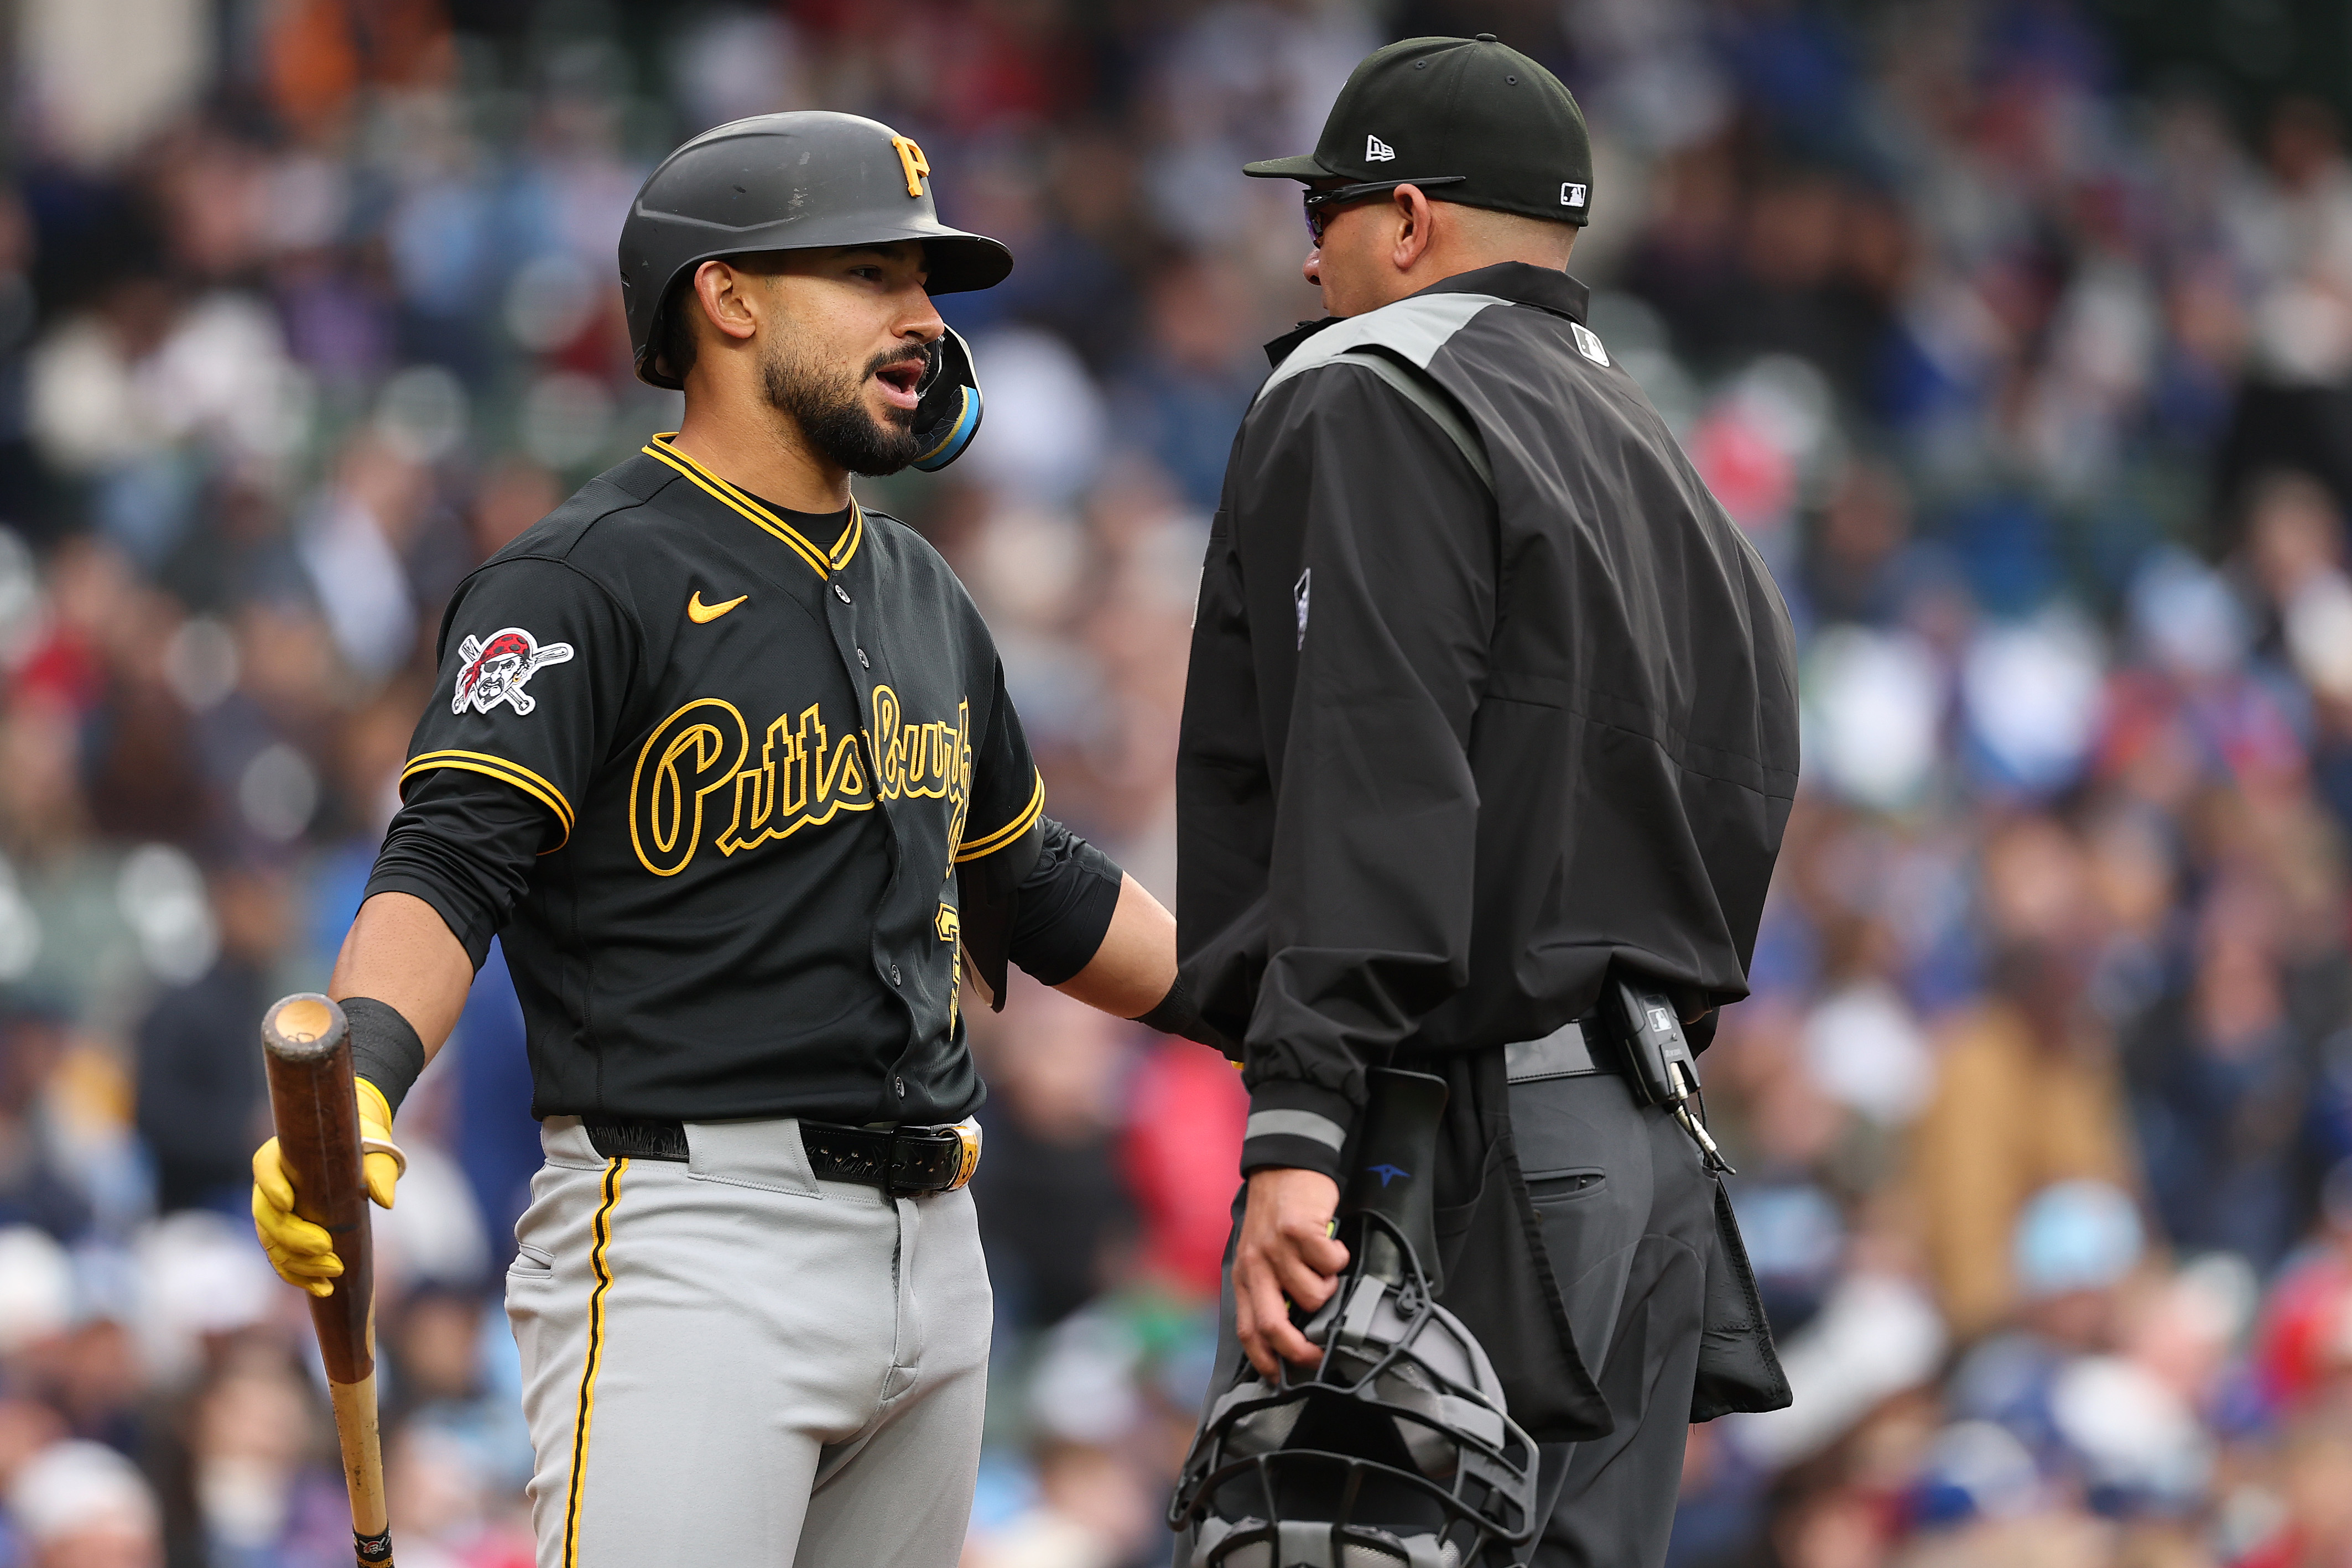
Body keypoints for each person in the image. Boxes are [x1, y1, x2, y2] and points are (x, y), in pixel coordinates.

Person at [247, 111, 1190, 1568]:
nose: (923, 319)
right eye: (872, 274)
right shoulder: (581, 575)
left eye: (928, 283)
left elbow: (1029, 878)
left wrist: (1278, 1015)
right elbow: (448, 861)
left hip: (938, 1252)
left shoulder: (924, 588)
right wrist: (362, 1073)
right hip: (694, 1237)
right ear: (728, 296)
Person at [1172, 36, 1799, 1567]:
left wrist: (1303, 1121)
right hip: (1645, 1150)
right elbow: (1752, 778)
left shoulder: (1373, 390)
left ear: (1405, 221)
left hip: (1459, 1139)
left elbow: (1372, 776)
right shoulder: (1648, 444)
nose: (1306, 256)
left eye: (1321, 209)